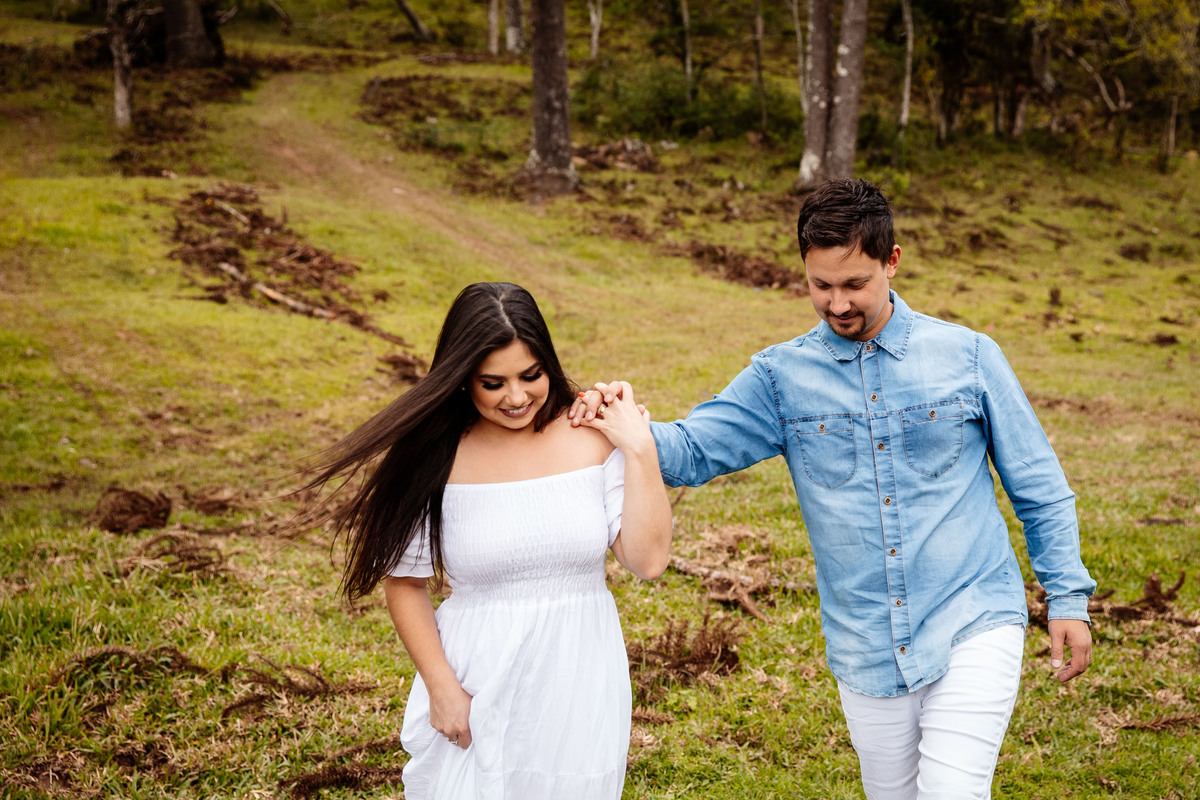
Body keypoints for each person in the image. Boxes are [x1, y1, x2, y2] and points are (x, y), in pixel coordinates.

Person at [571, 179, 1096, 799]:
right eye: (821, 285)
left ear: (891, 261)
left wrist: (1067, 597)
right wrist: (618, 423)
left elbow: (1039, 485)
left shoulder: (970, 356)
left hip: (973, 614)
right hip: (865, 642)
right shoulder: (780, 376)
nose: (838, 303)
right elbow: (692, 450)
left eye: (854, 284)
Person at [299, 282, 672, 799]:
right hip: (476, 680)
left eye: (531, 375)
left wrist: (639, 448)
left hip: (579, 678)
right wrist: (442, 689)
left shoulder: (591, 435)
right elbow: (404, 583)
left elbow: (648, 560)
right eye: (492, 383)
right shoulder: (436, 456)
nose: (516, 398)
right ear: (461, 379)